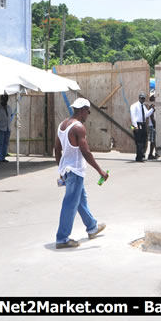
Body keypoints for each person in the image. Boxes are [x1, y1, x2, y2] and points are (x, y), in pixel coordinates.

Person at [54, 98, 108, 249]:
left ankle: (92, 227)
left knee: (80, 200)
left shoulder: (62, 125)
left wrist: (61, 169)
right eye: (88, 112)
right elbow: (86, 152)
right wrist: (100, 170)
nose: (88, 115)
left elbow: (57, 150)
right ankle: (62, 238)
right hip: (76, 172)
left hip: (67, 170)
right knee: (70, 204)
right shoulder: (78, 128)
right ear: (83, 110)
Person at [129, 92, 154, 162]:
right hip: (136, 124)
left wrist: (152, 109)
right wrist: (135, 127)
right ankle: (139, 157)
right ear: (139, 98)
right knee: (139, 141)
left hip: (143, 124)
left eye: (144, 98)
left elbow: (146, 115)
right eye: (142, 98)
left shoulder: (143, 106)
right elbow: (133, 117)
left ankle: (141, 155)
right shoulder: (134, 106)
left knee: (144, 140)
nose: (143, 99)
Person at [146, 93, 158, 160]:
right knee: (153, 141)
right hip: (152, 125)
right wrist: (155, 125)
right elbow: (152, 117)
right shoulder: (151, 106)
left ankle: (155, 153)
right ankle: (150, 154)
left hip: (153, 125)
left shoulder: (153, 106)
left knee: (155, 141)